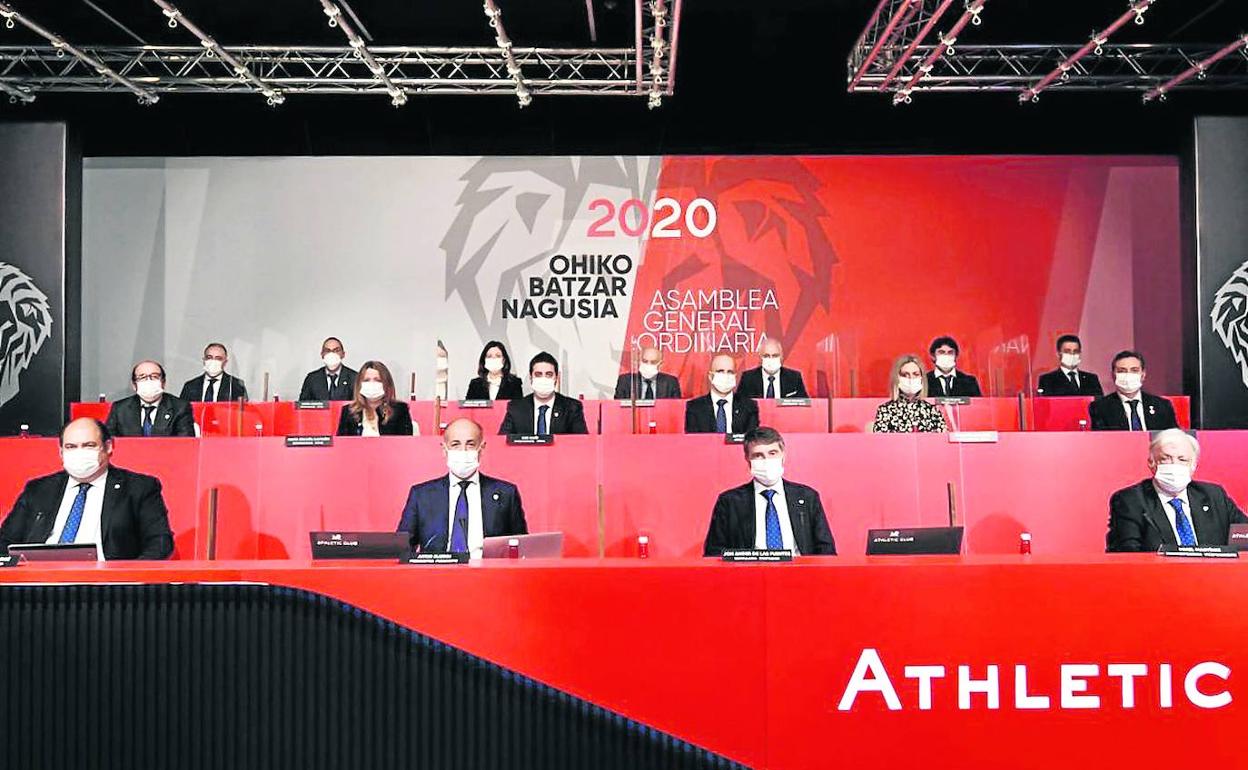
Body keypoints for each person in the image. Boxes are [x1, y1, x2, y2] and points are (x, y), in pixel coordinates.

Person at [0, 418, 174, 560]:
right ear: (61, 452)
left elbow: (160, 542)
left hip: (105, 588)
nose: (79, 452)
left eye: (89, 445)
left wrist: (129, 580)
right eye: (71, 447)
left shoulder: (138, 488)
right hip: (38, 585)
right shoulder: (39, 489)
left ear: (108, 447)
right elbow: (5, 541)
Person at [396, 417, 528, 556]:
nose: (463, 450)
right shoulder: (421, 495)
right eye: (455, 444)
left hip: (488, 573)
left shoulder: (506, 494)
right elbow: (402, 549)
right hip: (437, 573)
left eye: (470, 444)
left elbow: (521, 548)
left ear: (481, 449)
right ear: (444, 449)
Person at [1106, 428, 1247, 551]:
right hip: (1159, 578)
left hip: (1212, 577)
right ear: (1151, 463)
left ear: (1193, 466)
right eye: (1165, 459)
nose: (1174, 465)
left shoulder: (1213, 495)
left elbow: (1244, 535)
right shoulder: (1130, 500)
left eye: (1182, 460)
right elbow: (1127, 553)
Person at [703, 426, 836, 556]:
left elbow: (826, 549)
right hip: (748, 574)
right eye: (758, 455)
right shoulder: (729, 502)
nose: (766, 460)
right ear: (748, 460)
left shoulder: (807, 497)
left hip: (798, 573)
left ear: (783, 455)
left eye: (772, 453)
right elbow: (714, 552)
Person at [498, 352, 588, 435]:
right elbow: (502, 442)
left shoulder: (572, 408)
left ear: (556, 378)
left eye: (549, 374)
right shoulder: (516, 408)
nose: (543, 378)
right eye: (538, 374)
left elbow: (581, 443)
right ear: (530, 377)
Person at [1088, 350, 1178, 431]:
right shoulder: (1100, 408)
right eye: (1122, 371)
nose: (1128, 375)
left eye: (1134, 370)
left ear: (1143, 375)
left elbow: (1174, 437)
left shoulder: (1162, 406)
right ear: (1113, 375)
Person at [105, 360, 196, 437]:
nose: (149, 381)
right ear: (134, 385)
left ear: (163, 383)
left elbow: (185, 444)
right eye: (142, 377)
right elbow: (108, 441)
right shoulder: (120, 409)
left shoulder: (180, 407)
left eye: (155, 376)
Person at [684, 354, 760, 434]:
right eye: (720, 371)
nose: (726, 375)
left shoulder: (749, 406)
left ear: (735, 376)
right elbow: (693, 441)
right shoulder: (695, 407)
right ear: (710, 376)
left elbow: (752, 439)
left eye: (730, 372)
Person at [871, 354, 948, 433]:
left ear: (922, 378)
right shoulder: (885, 411)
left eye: (916, 374)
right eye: (905, 375)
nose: (911, 378)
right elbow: (880, 442)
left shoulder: (932, 411)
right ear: (897, 378)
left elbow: (941, 441)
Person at [336, 360, 416, 436]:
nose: (372, 384)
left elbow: (405, 444)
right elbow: (341, 444)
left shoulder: (400, 410)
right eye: (366, 380)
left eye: (377, 380)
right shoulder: (348, 412)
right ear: (359, 384)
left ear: (386, 384)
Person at [737, 338, 809, 399]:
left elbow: (804, 405)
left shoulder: (794, 378)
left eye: (775, 356)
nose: (771, 359)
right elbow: (739, 405)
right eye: (766, 356)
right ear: (760, 358)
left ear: (781, 357)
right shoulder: (748, 378)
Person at [1036, 334, 1103, 397]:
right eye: (1067, 351)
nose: (1072, 354)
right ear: (1058, 354)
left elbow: (1099, 402)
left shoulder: (1091, 379)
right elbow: (1045, 404)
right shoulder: (1048, 380)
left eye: (1075, 351)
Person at [179, 342, 248, 402]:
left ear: (225, 362)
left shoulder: (236, 386)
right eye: (209, 357)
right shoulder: (190, 386)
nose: (213, 361)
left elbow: (243, 413)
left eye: (218, 358)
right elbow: (181, 412)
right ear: (204, 360)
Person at [298, 337, 357, 401]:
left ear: (343, 354)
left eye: (336, 350)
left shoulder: (354, 378)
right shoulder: (312, 379)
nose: (331, 354)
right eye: (327, 351)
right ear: (322, 354)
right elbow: (302, 406)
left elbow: (359, 405)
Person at [613, 346, 682, 400]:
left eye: (653, 362)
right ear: (639, 361)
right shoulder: (626, 381)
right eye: (645, 361)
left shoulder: (671, 382)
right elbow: (617, 407)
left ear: (660, 364)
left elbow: (676, 408)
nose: (648, 364)